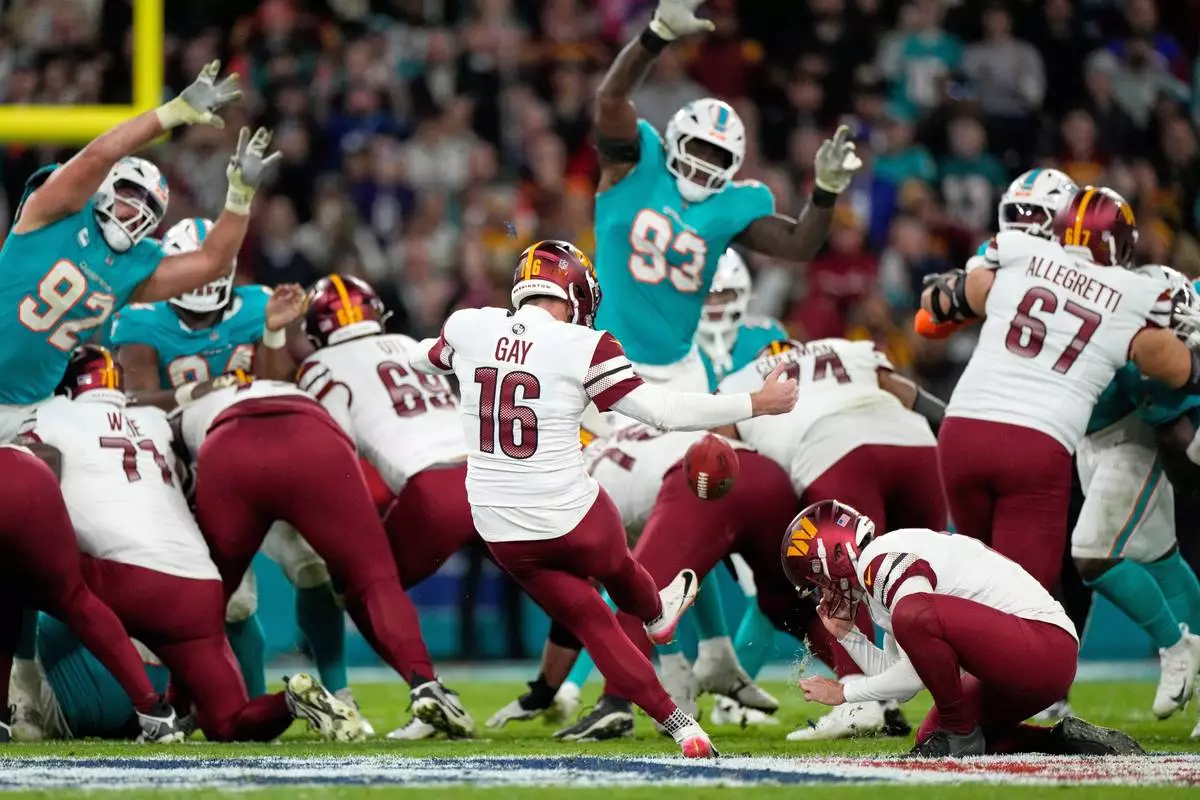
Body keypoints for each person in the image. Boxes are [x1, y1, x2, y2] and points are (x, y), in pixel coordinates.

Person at [409, 239, 799, 757]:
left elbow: (421, 356)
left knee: (595, 627)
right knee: (615, 558)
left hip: (501, 530)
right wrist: (756, 402)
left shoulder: (468, 326)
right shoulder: (582, 345)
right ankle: (656, 614)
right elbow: (662, 411)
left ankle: (682, 726)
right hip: (573, 518)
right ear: (574, 294)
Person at [19, 345, 362, 743]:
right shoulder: (155, 420)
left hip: (120, 574)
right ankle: (292, 701)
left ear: (66, 387)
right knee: (228, 723)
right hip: (196, 585)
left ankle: (32, 698)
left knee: (15, 559)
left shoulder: (49, 414)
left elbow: (35, 486)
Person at [111, 218, 356, 721]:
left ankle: (340, 692)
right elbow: (132, 401)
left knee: (314, 566)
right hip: (193, 472)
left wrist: (273, 330)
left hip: (265, 455)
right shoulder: (140, 318)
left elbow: (279, 383)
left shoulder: (257, 303)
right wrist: (197, 392)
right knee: (233, 600)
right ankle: (250, 703)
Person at [173, 358, 474, 737]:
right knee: (372, 579)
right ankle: (422, 687)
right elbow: (346, 436)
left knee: (210, 600)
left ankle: (175, 709)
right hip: (313, 437)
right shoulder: (313, 370)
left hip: (230, 447)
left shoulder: (177, 412)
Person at [922, 187, 1200, 591]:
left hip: (962, 430)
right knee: (1026, 598)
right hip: (1037, 442)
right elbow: (1180, 370)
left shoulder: (1018, 249)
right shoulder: (1134, 292)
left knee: (975, 578)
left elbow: (942, 303)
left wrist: (942, 293)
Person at [592, 0, 861, 393]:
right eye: (698, 148)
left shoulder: (730, 206)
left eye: (716, 156)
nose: (704, 162)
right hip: (605, 356)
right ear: (674, 140)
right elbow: (610, 99)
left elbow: (799, 244)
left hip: (678, 370)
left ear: (733, 163)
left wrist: (826, 191)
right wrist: (656, 34)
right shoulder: (634, 167)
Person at [0, 61, 276, 443]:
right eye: (131, 194)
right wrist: (172, 114)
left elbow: (211, 262)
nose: (139, 210)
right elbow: (99, 155)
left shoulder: (135, 266)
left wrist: (239, 198)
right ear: (106, 187)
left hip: (29, 409)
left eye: (150, 207)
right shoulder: (56, 212)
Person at [714, 336, 945, 740]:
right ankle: (979, 689)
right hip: (916, 444)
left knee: (838, 571)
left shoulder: (738, 381)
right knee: (935, 576)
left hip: (834, 453)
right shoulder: (846, 347)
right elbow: (907, 394)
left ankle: (858, 701)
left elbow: (726, 463)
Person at [787, 499, 1143, 758]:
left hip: (1043, 646)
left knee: (914, 620)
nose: (824, 593)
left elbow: (912, 660)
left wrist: (844, 693)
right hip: (1024, 658)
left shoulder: (879, 562)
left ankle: (959, 731)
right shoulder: (883, 572)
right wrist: (849, 636)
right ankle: (1062, 740)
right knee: (931, 736)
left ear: (835, 556)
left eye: (818, 581)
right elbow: (905, 680)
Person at [295, 273, 479, 741]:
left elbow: (338, 451)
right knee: (561, 584)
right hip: (492, 473)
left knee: (361, 586)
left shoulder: (319, 365)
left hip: (434, 486)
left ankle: (428, 689)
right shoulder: (410, 344)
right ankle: (616, 690)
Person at [1072, 264, 1200, 723]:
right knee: (1159, 557)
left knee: (1092, 554)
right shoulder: (1117, 303)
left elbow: (1179, 445)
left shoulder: (1153, 358)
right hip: (1090, 437)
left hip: (1131, 438)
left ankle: (1177, 646)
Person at [0, 442, 183, 744]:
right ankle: (156, 714)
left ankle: (16, 712)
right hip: (34, 475)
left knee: (18, 604)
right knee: (69, 601)